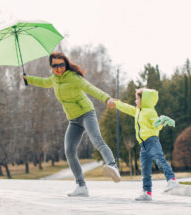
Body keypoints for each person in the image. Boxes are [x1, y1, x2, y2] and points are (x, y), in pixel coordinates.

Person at [22, 52, 120, 197]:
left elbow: (90, 88)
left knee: (96, 140)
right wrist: (27, 79)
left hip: (87, 113)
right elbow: (43, 82)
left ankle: (112, 166)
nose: (59, 68)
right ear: (51, 67)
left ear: (66, 64)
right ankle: (81, 186)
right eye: (55, 66)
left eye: (61, 65)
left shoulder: (73, 77)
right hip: (73, 120)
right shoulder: (54, 80)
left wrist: (106, 99)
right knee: (69, 150)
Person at [107, 88, 178, 201]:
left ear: (144, 100)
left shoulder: (150, 111)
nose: (135, 101)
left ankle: (172, 180)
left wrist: (161, 122)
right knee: (145, 170)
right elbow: (126, 108)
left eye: (137, 99)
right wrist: (115, 103)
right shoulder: (137, 111)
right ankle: (147, 192)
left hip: (152, 141)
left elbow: (157, 126)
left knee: (159, 160)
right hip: (143, 145)